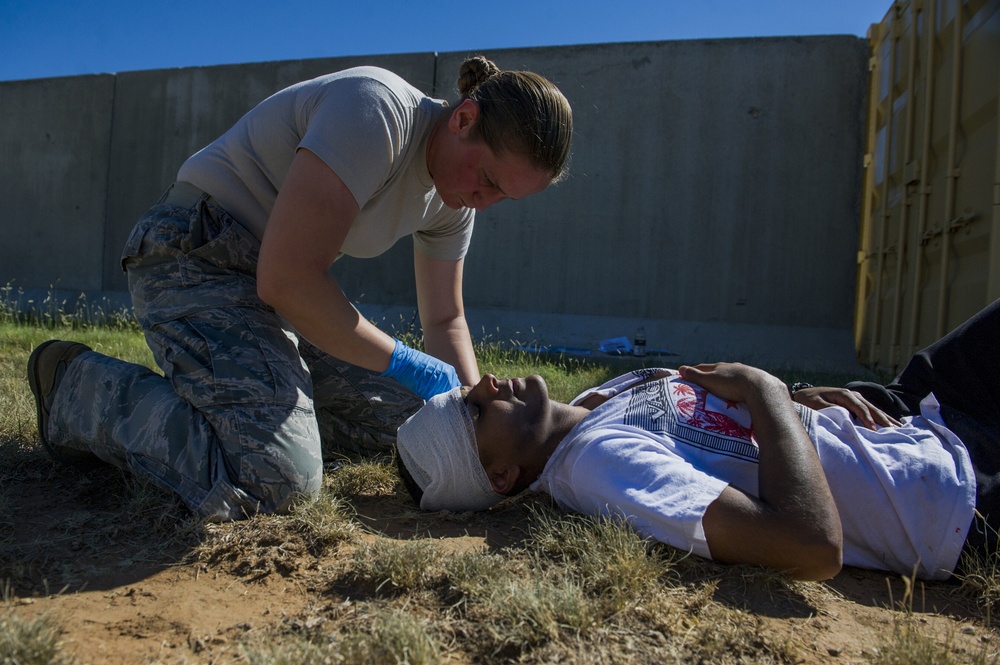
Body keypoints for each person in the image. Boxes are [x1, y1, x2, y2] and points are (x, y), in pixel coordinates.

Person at [27, 56, 573, 522]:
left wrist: (472, 422)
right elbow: (288, 276)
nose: (486, 201)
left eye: (506, 197)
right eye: (491, 181)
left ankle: (271, 404)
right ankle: (75, 388)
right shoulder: (377, 110)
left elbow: (445, 321)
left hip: (272, 293)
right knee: (279, 483)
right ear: (464, 118)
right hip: (196, 255)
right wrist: (410, 363)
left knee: (414, 424)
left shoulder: (453, 201)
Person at [395, 299, 1000, 581]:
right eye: (476, 414)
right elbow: (811, 546)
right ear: (501, 478)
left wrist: (796, 398)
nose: (489, 384)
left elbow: (723, 414)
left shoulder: (590, 407)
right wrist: (766, 392)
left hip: (914, 412)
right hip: (947, 497)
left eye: (472, 392)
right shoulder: (599, 466)